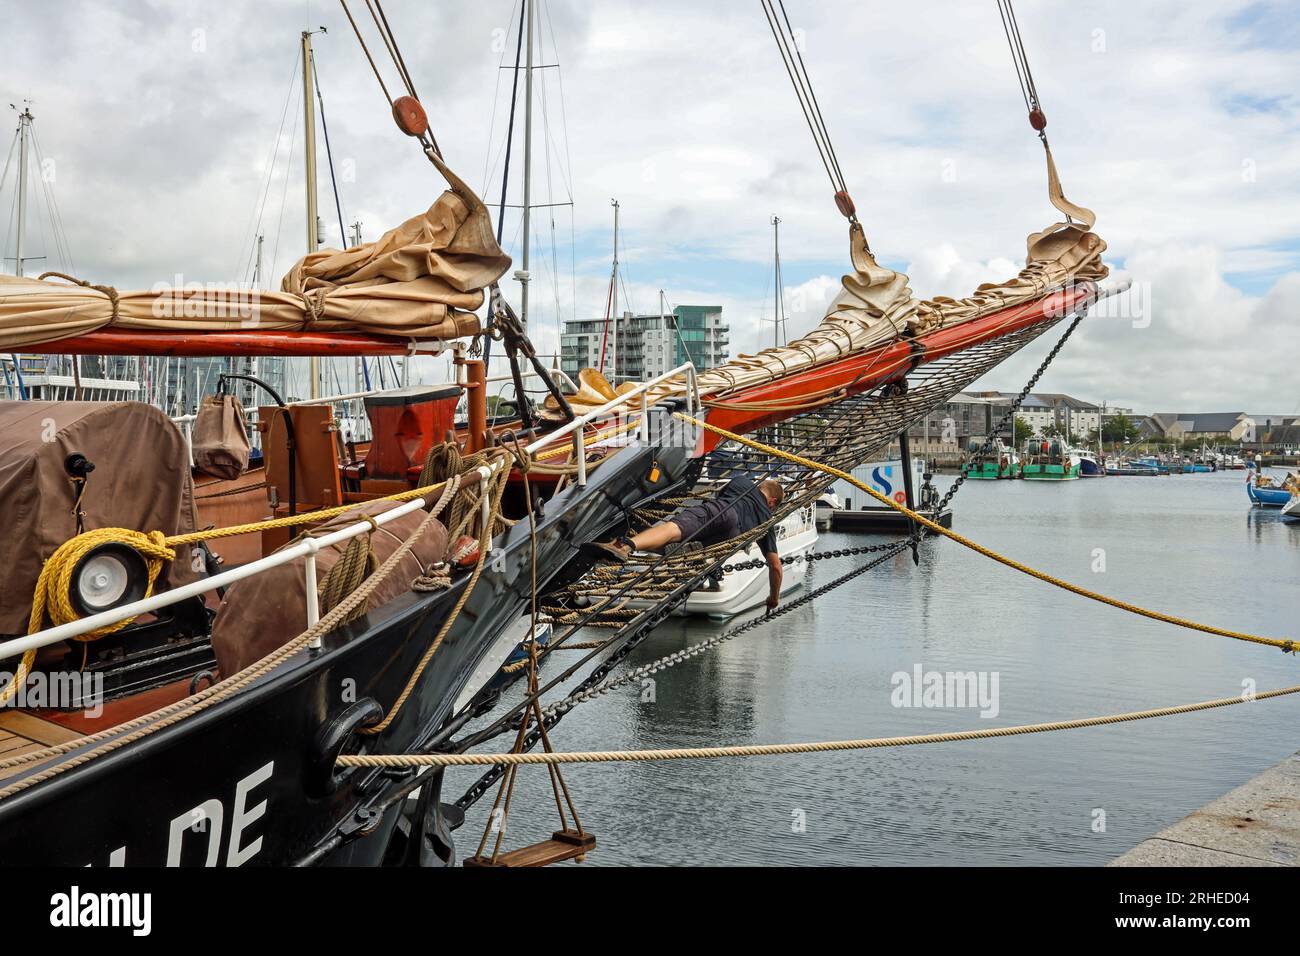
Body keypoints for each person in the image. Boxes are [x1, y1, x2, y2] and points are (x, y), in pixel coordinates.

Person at [586, 476, 786, 610]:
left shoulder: (742, 482)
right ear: (773, 502)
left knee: (674, 529)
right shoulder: (767, 520)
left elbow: (718, 495)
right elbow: (775, 566)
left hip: (721, 510)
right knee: (683, 547)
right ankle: (687, 551)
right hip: (730, 537)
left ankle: (625, 545)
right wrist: (773, 598)